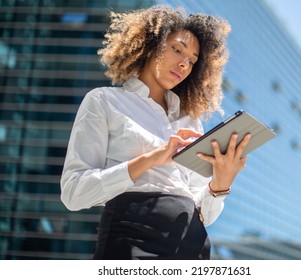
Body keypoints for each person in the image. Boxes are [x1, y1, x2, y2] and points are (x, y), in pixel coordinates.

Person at [60, 5, 250, 260]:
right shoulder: (104, 101)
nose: (184, 63)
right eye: (177, 49)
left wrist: (221, 184)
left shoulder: (190, 123)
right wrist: (153, 157)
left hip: (193, 245)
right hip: (132, 239)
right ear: (151, 44)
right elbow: (73, 193)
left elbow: (206, 213)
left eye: (192, 60)